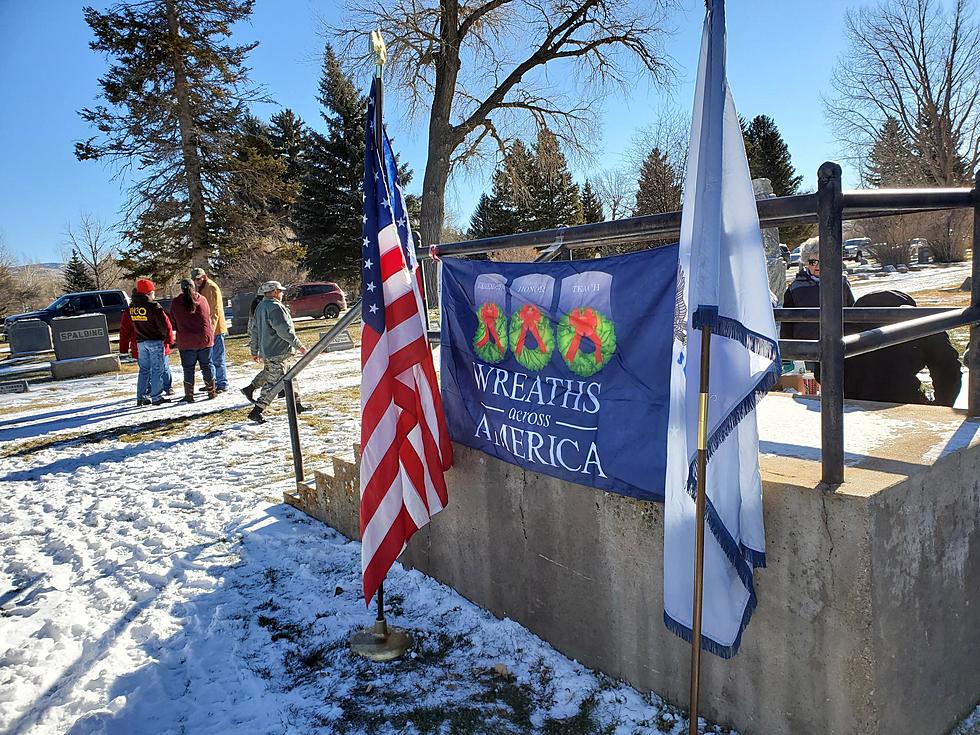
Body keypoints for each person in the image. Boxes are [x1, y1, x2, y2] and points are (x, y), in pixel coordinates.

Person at [844, 290, 962, 406]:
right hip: (902, 399)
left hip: (845, 404)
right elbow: (949, 370)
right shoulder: (922, 324)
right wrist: (942, 406)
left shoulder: (842, 326)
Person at [781, 236, 855, 381]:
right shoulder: (795, 287)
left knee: (838, 381)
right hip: (807, 347)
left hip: (838, 344)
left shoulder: (841, 283)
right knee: (811, 383)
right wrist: (788, 352)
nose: (818, 265)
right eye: (813, 261)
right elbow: (786, 322)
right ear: (806, 262)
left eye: (823, 261)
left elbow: (852, 311)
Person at [247, 280, 308, 423]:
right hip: (278, 352)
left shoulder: (261, 307)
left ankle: (297, 405)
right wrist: (299, 345)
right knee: (273, 384)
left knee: (291, 377)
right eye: (280, 291)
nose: (281, 293)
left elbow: (254, 331)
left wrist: (254, 350)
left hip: (269, 351)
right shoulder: (275, 307)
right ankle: (256, 411)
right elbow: (284, 331)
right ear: (274, 292)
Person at [120, 289, 176, 404]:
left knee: (144, 371)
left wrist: (124, 348)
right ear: (148, 293)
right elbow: (165, 325)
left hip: (139, 343)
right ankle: (157, 396)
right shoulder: (153, 307)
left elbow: (124, 330)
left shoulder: (131, 310)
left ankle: (141, 396)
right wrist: (169, 340)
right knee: (158, 369)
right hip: (154, 341)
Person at [168, 278, 216, 402]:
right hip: (205, 339)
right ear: (193, 287)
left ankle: (189, 395)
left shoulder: (176, 303)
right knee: (207, 365)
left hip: (186, 341)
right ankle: (211, 392)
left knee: (188, 368)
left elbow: (173, 320)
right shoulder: (202, 299)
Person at [191, 266, 228, 393]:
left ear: (204, 276)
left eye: (198, 279)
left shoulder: (211, 287)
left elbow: (214, 311)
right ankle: (212, 383)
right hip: (206, 329)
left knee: (218, 357)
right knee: (209, 359)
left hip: (215, 329)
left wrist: (210, 330)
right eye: (194, 280)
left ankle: (222, 383)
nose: (197, 281)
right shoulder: (200, 288)